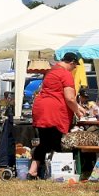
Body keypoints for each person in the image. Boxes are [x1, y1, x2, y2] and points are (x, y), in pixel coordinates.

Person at [28, 52, 84, 180]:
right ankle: (58, 173)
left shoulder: (50, 71)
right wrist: (77, 111)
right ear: (72, 62)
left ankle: (33, 171)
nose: (74, 69)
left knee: (45, 143)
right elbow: (70, 98)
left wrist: (78, 107)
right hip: (53, 112)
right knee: (55, 143)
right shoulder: (65, 74)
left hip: (41, 109)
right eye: (74, 66)